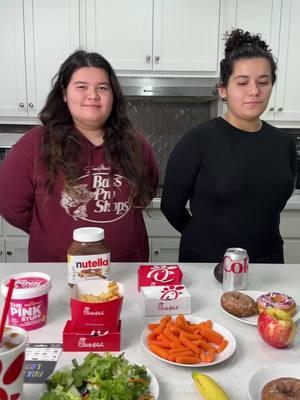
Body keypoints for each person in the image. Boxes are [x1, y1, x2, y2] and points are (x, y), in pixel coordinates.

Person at [0, 50, 159, 262]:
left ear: (113, 95)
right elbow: (11, 206)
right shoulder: (34, 145)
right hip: (58, 271)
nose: (93, 95)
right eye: (81, 87)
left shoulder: (137, 145)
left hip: (126, 272)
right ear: (64, 94)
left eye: (102, 88)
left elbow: (146, 192)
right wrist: (49, 228)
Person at [161, 29, 296, 264]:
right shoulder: (198, 140)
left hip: (269, 262)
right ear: (223, 89)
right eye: (242, 82)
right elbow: (171, 206)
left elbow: (272, 204)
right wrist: (203, 239)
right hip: (209, 263)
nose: (254, 91)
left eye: (263, 82)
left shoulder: (283, 143)